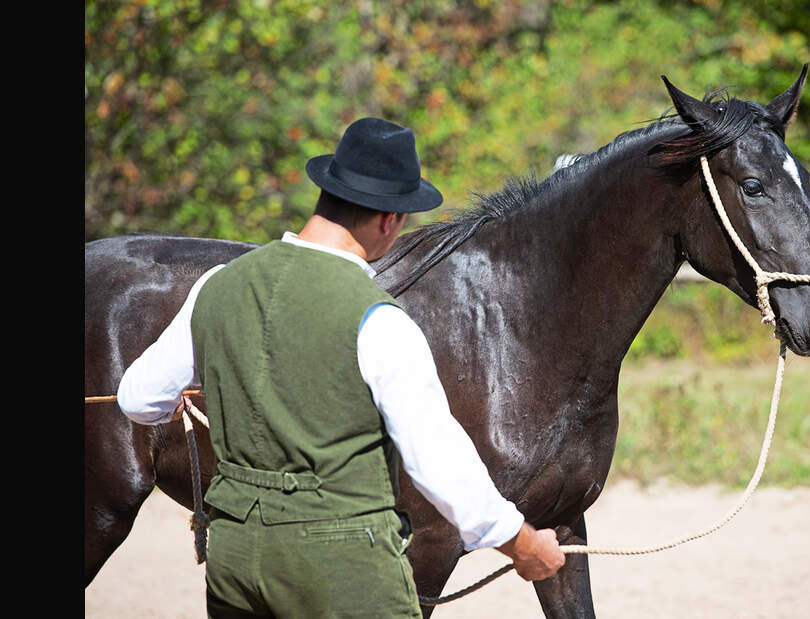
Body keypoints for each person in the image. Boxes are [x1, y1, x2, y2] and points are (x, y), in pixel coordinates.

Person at [117, 117, 565, 617]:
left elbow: (137, 399)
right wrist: (523, 545)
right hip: (341, 569)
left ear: (325, 193)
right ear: (390, 218)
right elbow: (440, 466)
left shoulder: (215, 285)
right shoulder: (380, 321)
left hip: (236, 559)